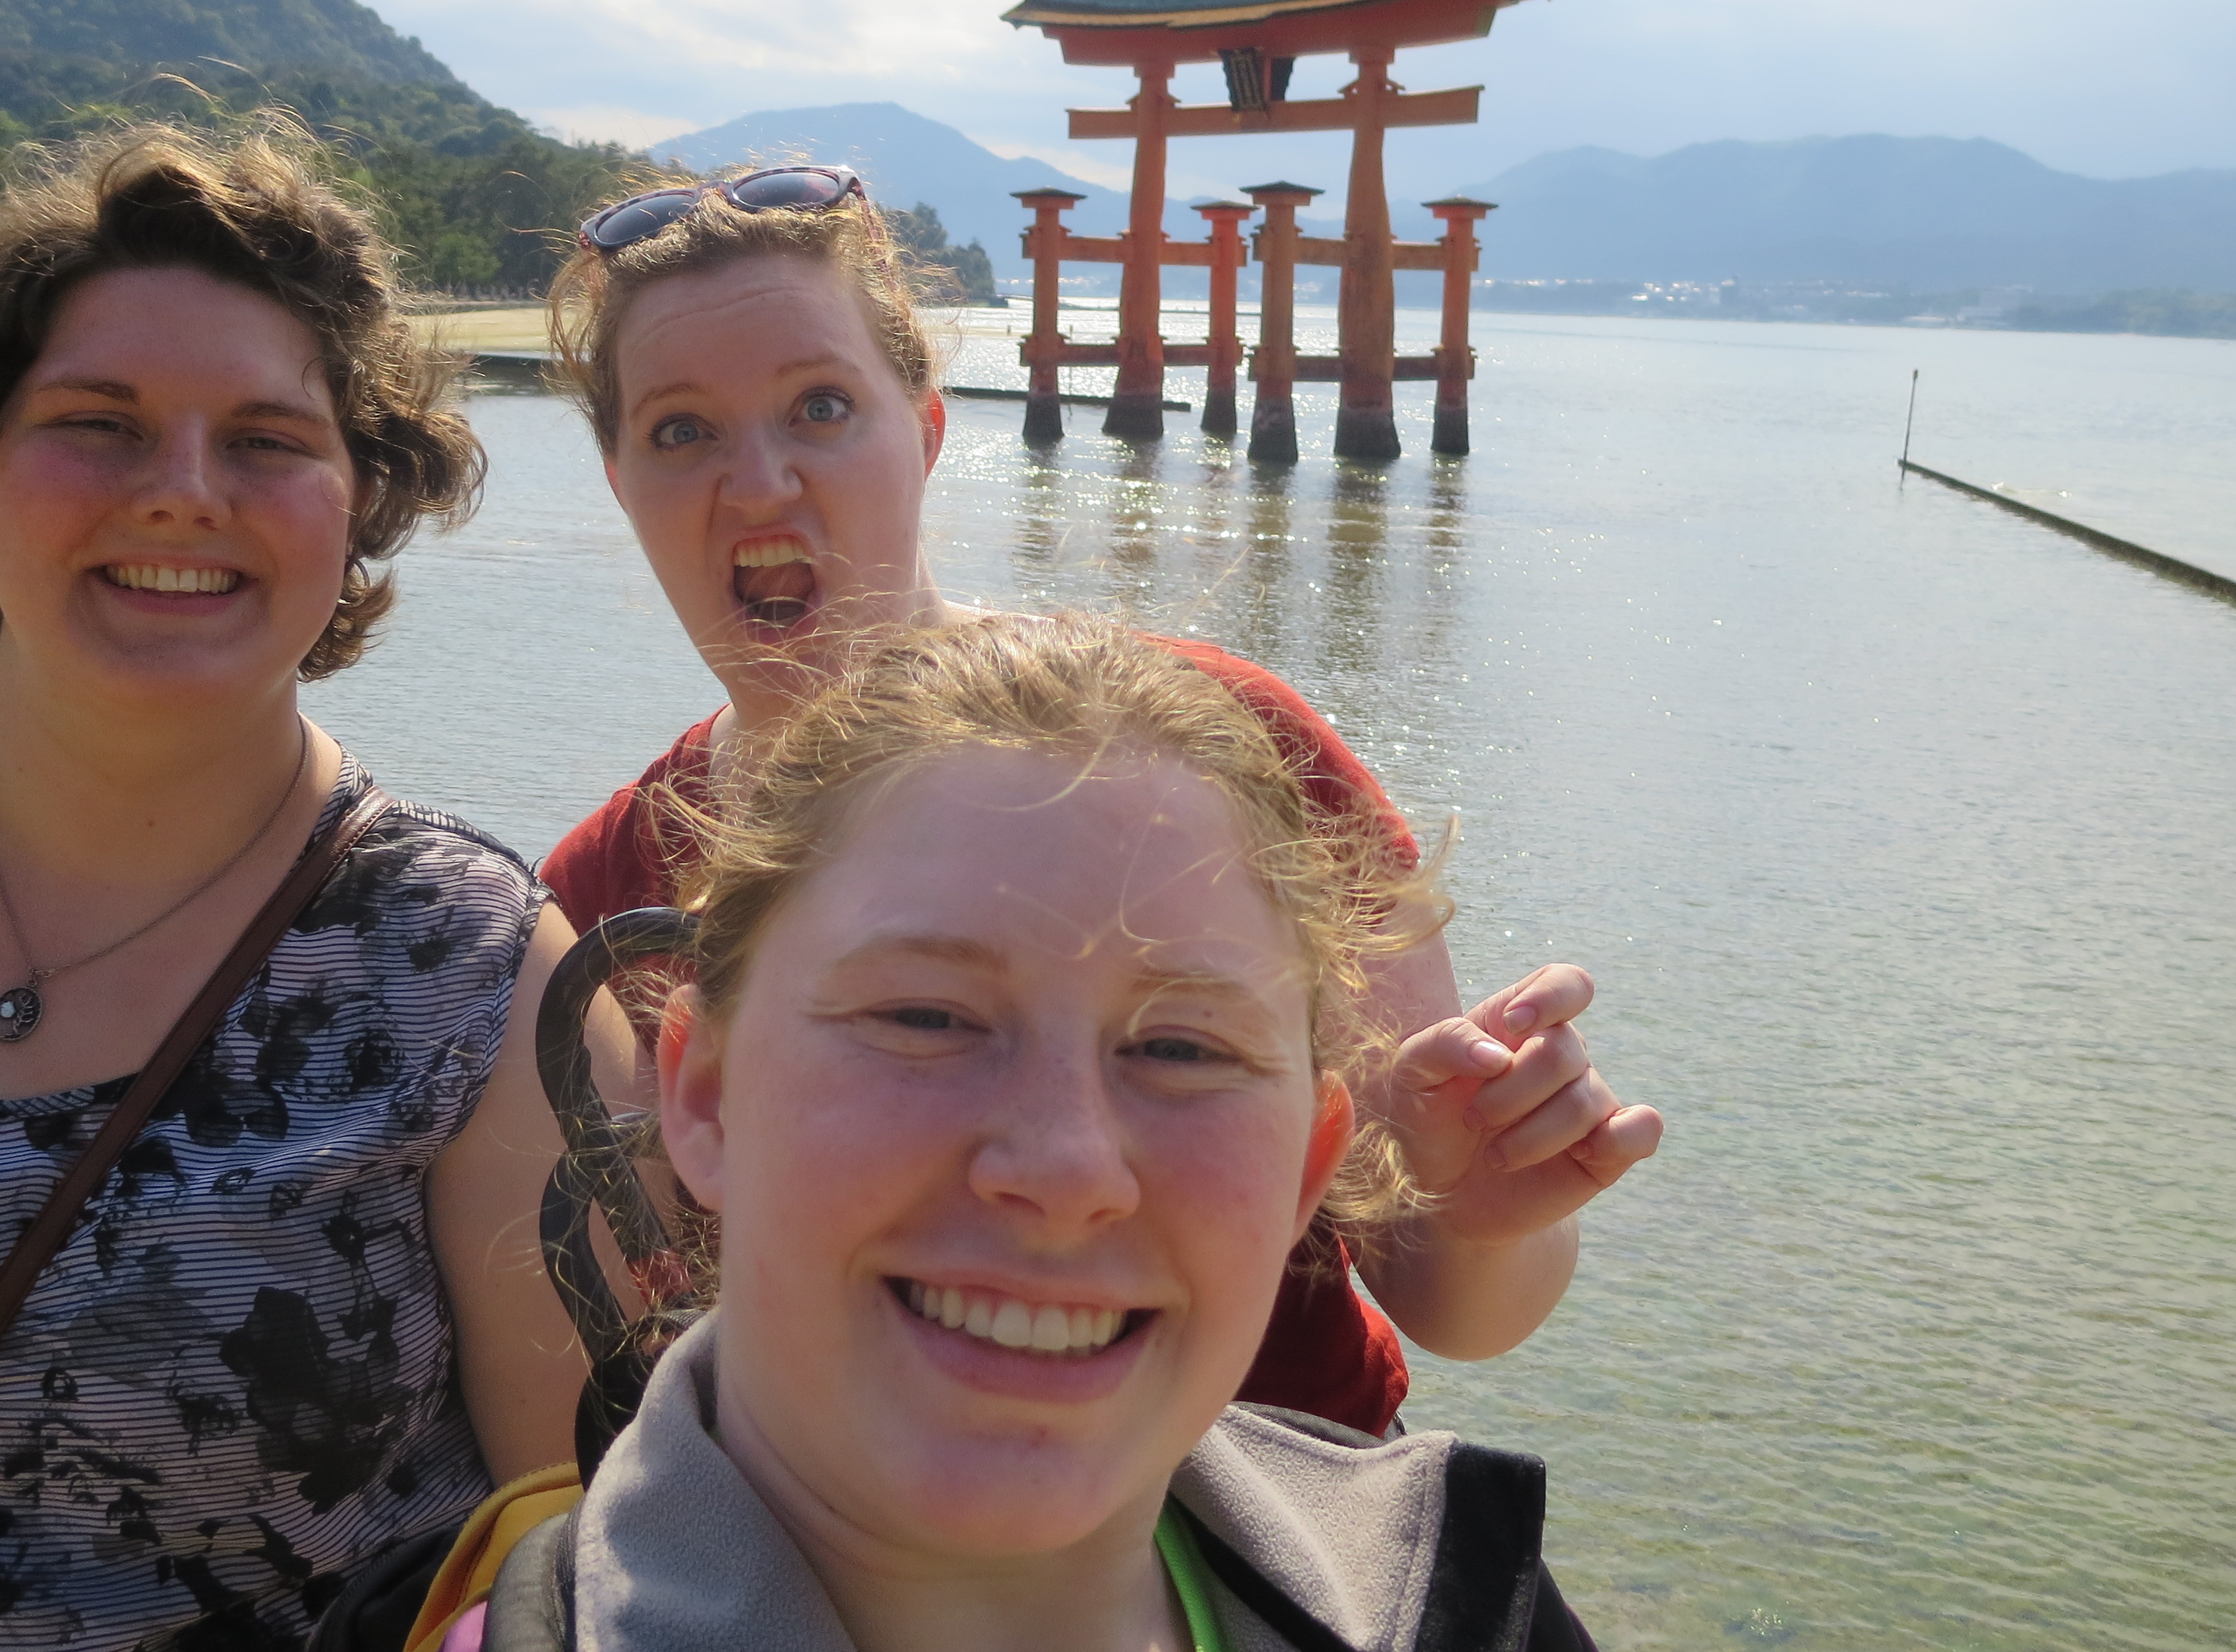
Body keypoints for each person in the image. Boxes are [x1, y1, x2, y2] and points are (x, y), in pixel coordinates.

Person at [536, 168, 1661, 1435]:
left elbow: (1458, 1303)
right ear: (620, 481)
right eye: (681, 431)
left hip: (1274, 1509)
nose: (756, 482)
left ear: (924, 431)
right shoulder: (586, 911)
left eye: (820, 407)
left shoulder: (1222, 753)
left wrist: (1475, 1206)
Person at [0, 123, 596, 1649]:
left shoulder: (475, 979)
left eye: (267, 441)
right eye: (100, 423)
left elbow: (583, 1560)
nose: (185, 492)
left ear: (358, 507)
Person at [481, 614, 1596, 1649]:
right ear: (707, 1096)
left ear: (1308, 1168)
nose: (1067, 1166)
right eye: (925, 1019)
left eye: (1182, 1049)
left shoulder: (1457, 1596)